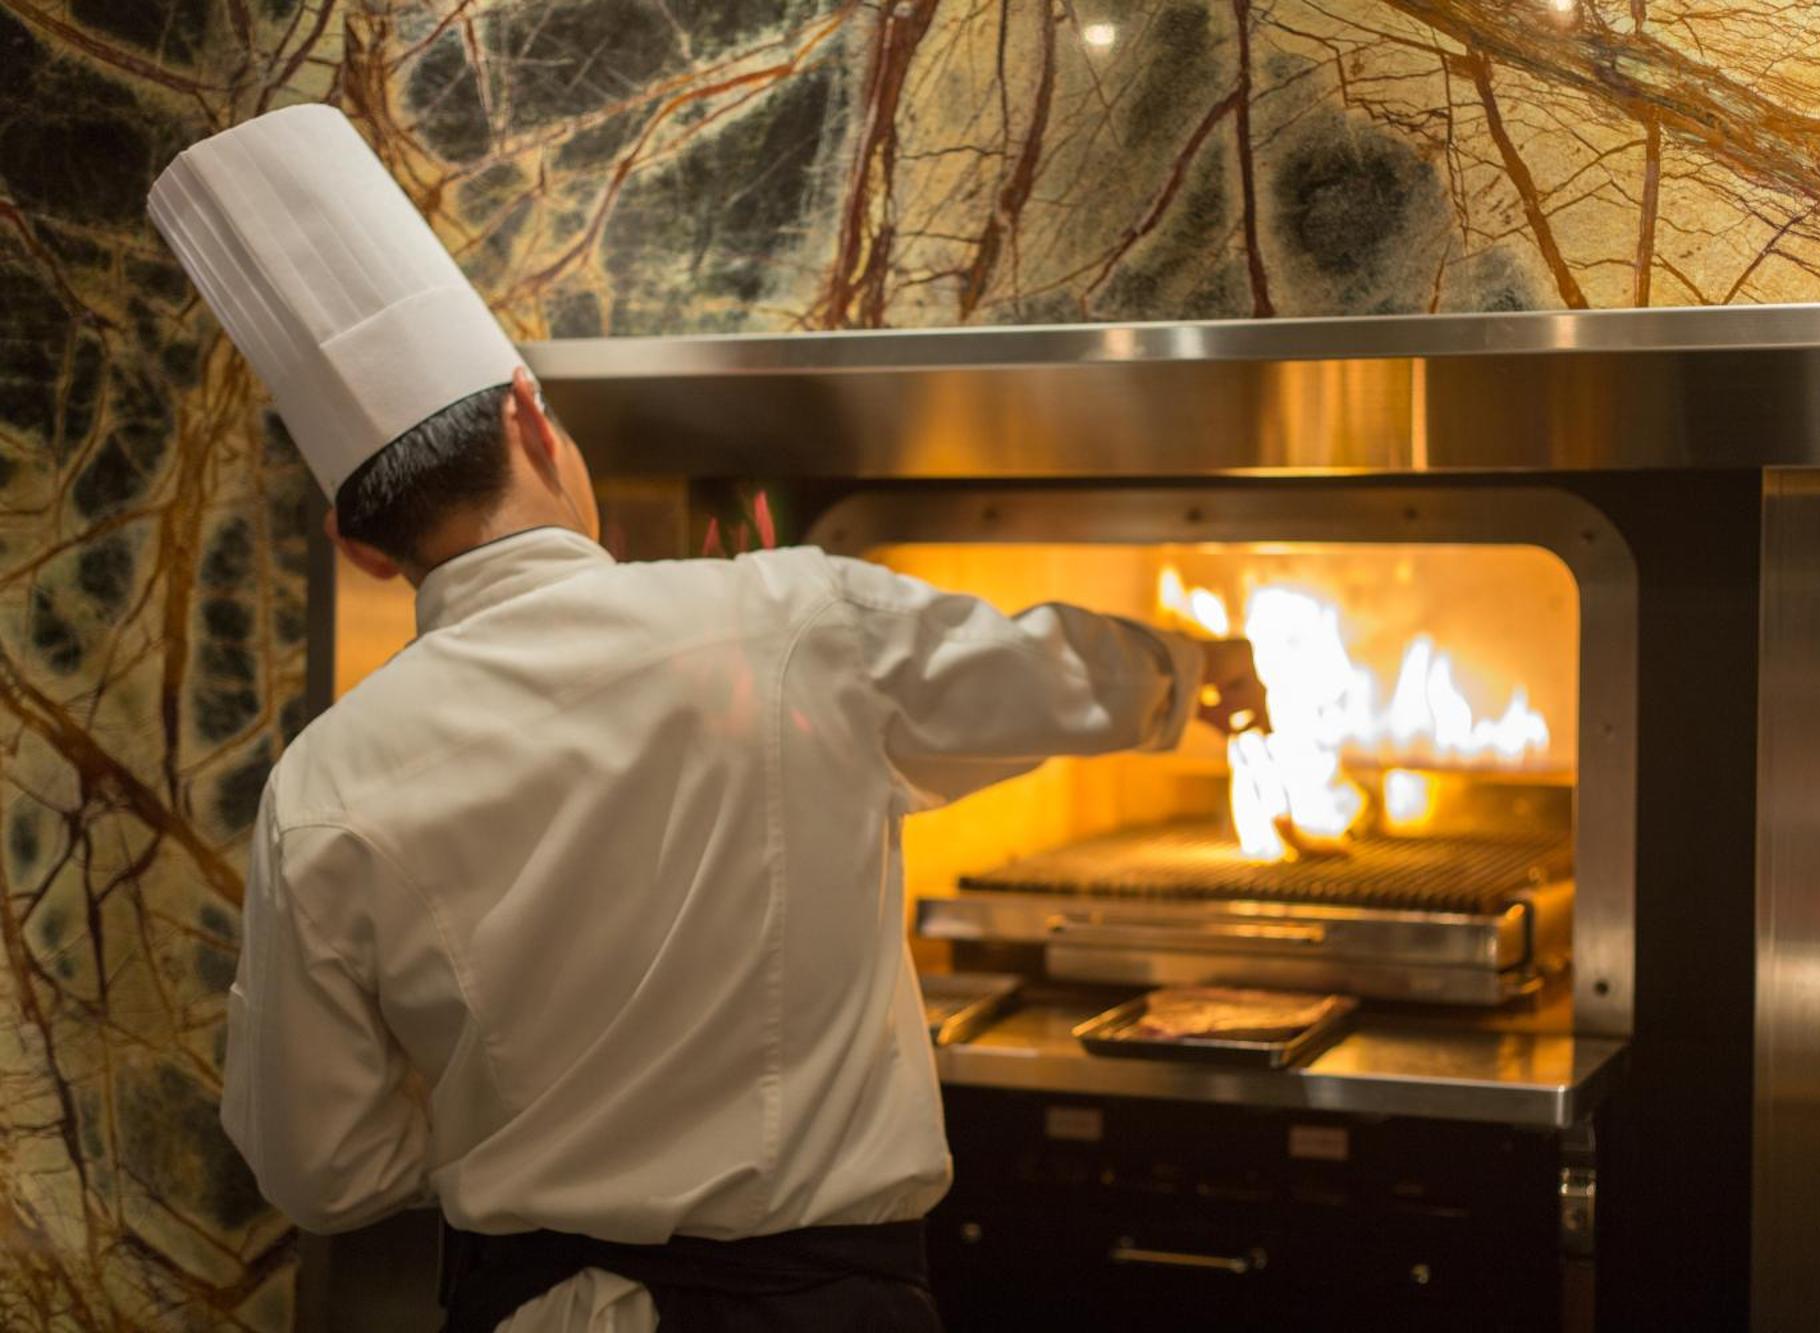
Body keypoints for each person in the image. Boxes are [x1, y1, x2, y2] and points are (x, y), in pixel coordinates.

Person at [149, 105, 1261, 1332]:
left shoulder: (325, 782)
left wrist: (520, 1150)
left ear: (357, 550)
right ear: (530, 418)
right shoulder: (791, 618)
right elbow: (1048, 674)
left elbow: (319, 1168)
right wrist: (1192, 670)